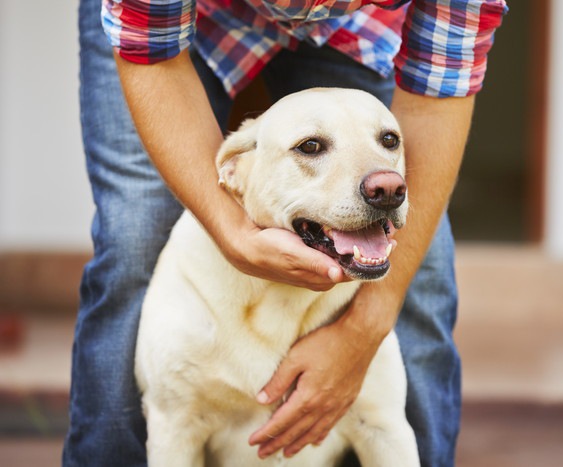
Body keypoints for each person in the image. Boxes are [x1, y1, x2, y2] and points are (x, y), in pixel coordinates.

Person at [63, 0, 507, 465]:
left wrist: (365, 329)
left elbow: (435, 107)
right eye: (310, 147)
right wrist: (232, 234)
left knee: (423, 271)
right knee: (134, 237)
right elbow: (151, 51)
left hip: (364, 29)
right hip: (178, 23)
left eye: (388, 143)